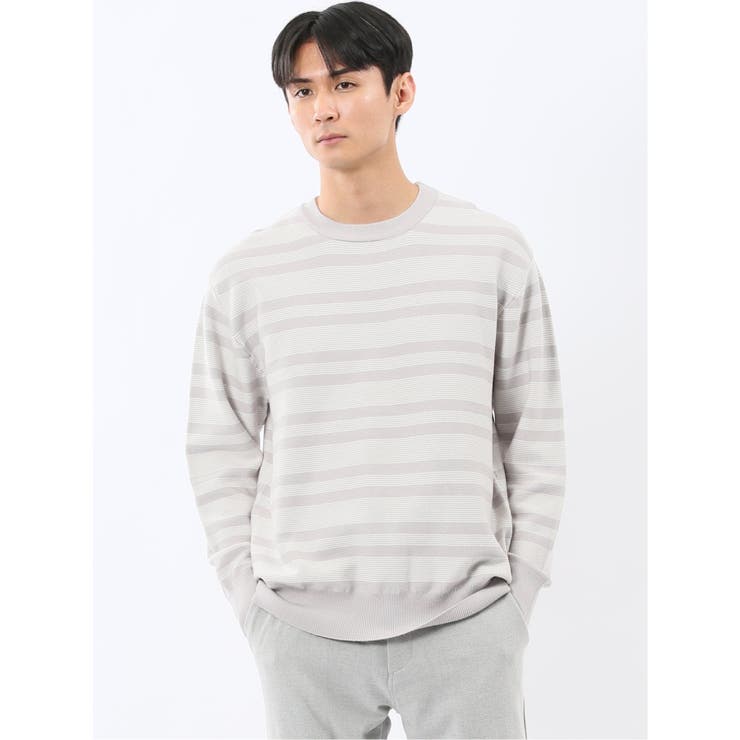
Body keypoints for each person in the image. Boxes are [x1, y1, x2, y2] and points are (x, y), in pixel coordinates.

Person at [184, 2, 567, 737]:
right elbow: (218, 444)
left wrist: (516, 599)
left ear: (401, 92)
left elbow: (535, 432)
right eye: (302, 91)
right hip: (301, 631)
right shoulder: (249, 273)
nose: (321, 108)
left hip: (468, 622)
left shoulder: (490, 251)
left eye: (344, 83)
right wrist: (251, 603)